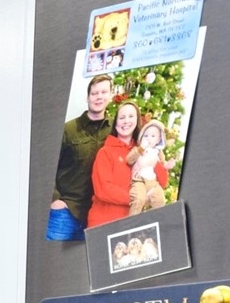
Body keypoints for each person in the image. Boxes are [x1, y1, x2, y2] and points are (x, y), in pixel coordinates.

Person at [48, 73, 114, 241]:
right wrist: (55, 200)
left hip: (98, 217)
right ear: (87, 97)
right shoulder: (68, 129)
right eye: (94, 93)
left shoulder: (116, 129)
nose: (99, 97)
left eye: (103, 92)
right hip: (66, 213)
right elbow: (46, 166)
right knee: (53, 265)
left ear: (110, 95)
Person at [87, 101, 144, 228]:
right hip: (104, 222)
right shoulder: (105, 152)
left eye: (131, 116)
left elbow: (161, 180)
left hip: (132, 223)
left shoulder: (141, 151)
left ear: (137, 121)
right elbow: (103, 189)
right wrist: (136, 199)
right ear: (116, 124)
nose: (126, 121)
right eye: (122, 117)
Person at [126, 118, 170, 213]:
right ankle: (132, 221)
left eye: (153, 136)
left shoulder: (158, 153)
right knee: (138, 199)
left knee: (160, 199)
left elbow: (162, 166)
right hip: (139, 180)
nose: (148, 138)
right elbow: (129, 159)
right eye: (146, 135)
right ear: (141, 137)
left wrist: (167, 166)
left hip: (153, 182)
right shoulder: (138, 149)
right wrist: (141, 148)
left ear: (158, 139)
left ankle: (159, 221)